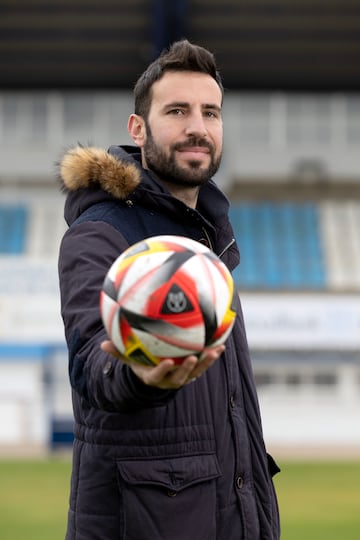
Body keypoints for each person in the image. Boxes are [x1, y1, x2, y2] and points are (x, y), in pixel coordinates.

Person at [58, 39, 280, 540]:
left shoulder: (206, 240)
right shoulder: (101, 233)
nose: (198, 127)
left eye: (211, 113)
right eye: (177, 110)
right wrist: (143, 374)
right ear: (137, 128)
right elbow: (93, 363)